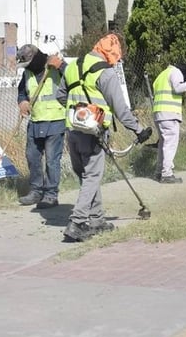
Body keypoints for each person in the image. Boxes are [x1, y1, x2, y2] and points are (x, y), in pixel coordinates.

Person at [56, 33, 151, 242]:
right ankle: (77, 222)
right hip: (93, 133)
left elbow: (60, 95)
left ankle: (97, 220)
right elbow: (121, 109)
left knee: (88, 176)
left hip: (72, 131)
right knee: (92, 176)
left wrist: (79, 112)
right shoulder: (105, 73)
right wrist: (138, 130)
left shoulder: (73, 66)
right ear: (112, 52)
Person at [16, 44, 67, 209]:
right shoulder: (27, 73)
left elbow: (74, 79)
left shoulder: (53, 67)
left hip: (55, 120)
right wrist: (22, 102)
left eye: (29, 63)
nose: (28, 66)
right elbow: (22, 92)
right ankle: (36, 191)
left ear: (37, 58)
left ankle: (51, 195)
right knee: (32, 157)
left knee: (52, 160)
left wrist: (61, 66)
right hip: (35, 121)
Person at [152, 63, 186, 183]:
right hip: (169, 113)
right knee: (170, 144)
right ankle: (167, 174)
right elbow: (178, 88)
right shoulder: (176, 72)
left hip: (158, 112)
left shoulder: (161, 74)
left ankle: (159, 172)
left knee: (163, 144)